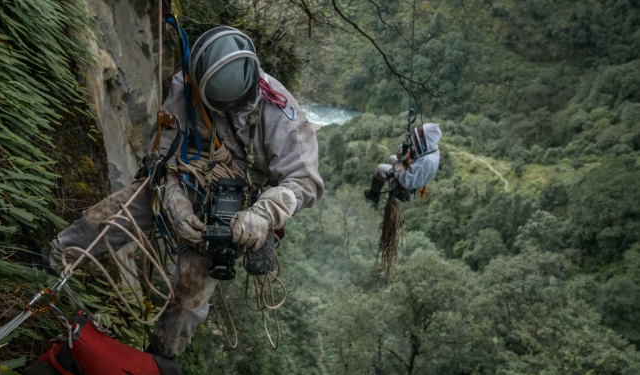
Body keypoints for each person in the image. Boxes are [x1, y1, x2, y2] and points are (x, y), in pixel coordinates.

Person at [47, 27, 324, 359]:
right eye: (224, 102)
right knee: (114, 215)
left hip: (236, 203)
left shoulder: (280, 112)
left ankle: (161, 357)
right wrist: (173, 201)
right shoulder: (185, 86)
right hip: (181, 178)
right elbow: (160, 153)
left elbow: (305, 181)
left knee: (191, 294)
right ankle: (51, 260)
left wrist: (262, 215)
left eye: (238, 100)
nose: (233, 105)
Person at [364, 123, 442, 203]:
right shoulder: (432, 149)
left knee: (379, 169)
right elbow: (419, 152)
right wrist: (406, 152)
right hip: (414, 172)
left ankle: (374, 195)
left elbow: (406, 182)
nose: (417, 138)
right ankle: (388, 177)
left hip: (407, 181)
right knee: (392, 157)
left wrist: (400, 161)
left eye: (420, 137)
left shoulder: (427, 161)